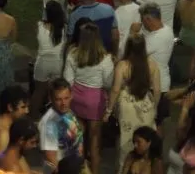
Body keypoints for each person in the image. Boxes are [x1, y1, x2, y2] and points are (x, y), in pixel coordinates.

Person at [63, 24, 114, 173]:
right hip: (95, 101)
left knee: (77, 141)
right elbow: (108, 83)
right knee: (95, 144)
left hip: (76, 99)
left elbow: (68, 80)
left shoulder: (73, 54)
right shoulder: (105, 58)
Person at [106, 34, 160, 174]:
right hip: (146, 105)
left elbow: (115, 89)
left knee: (127, 140)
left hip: (128, 106)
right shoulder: (152, 64)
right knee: (145, 138)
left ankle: (125, 168)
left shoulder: (123, 65)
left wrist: (108, 110)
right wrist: (154, 108)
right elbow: (157, 89)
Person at [38, 79, 85, 169]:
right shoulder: (49, 124)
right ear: (50, 99)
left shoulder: (68, 111)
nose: (64, 103)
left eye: (66, 98)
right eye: (58, 99)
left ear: (71, 96)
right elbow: (50, 158)